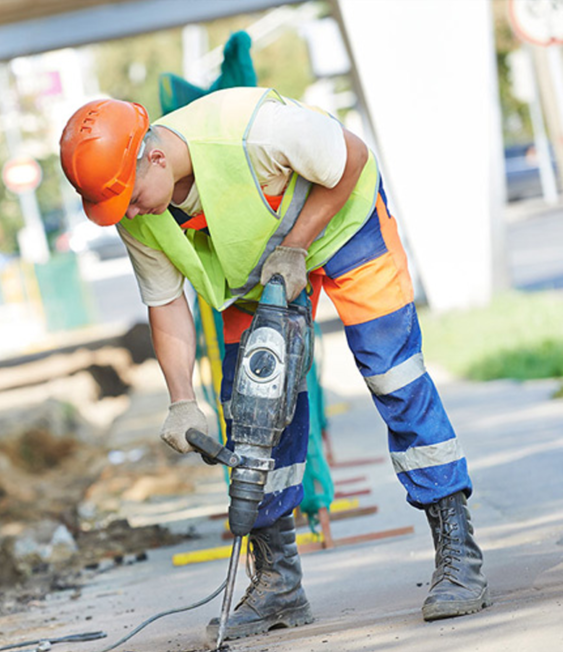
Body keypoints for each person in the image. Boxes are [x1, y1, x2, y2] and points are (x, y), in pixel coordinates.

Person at [58, 88, 489, 641]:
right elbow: (165, 305)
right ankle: (277, 584)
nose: (132, 212)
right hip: (256, 274)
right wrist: (181, 401)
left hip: (342, 226)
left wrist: (298, 243)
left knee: (392, 374)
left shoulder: (252, 130)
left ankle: (457, 551)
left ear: (156, 157)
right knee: (252, 413)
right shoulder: (133, 207)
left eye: (132, 197)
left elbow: (351, 157)